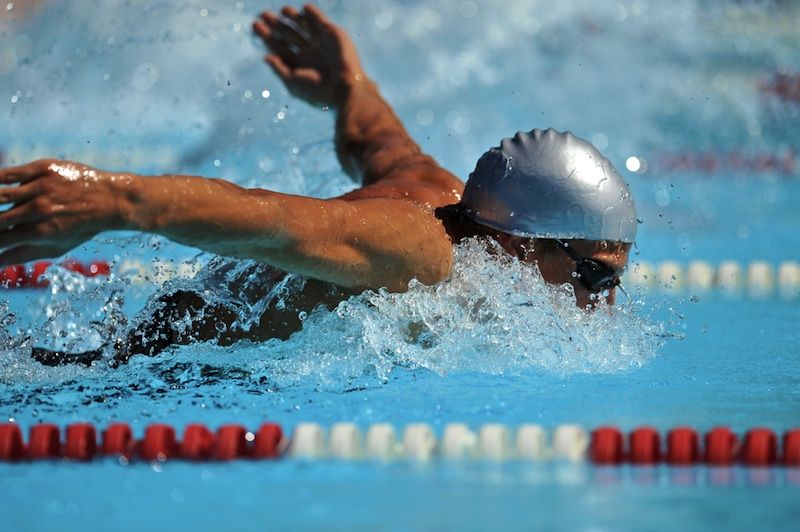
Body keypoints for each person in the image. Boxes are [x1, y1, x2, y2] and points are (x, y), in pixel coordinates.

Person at [0, 4, 637, 366]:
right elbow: (276, 220)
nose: (602, 304)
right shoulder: (423, 253)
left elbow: (384, 144)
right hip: (149, 372)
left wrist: (348, 88)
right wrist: (115, 199)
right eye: (595, 277)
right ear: (528, 242)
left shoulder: (439, 191)